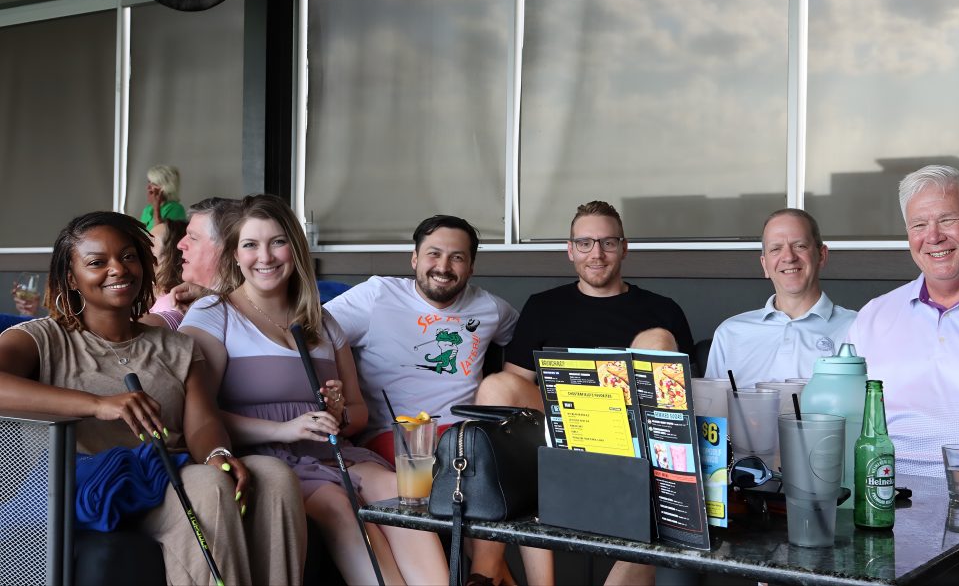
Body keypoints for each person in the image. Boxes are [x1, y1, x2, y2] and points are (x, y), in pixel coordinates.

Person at [0, 211, 306, 586]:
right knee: (206, 486)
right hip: (95, 486)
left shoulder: (178, 347)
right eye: (97, 262)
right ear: (71, 277)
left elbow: (203, 422)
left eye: (128, 256)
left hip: (165, 473)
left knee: (275, 477)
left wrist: (217, 453)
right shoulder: (41, 338)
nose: (118, 269)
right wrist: (98, 404)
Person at [180, 194, 448, 586]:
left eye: (277, 242)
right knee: (340, 507)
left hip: (333, 452)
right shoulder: (213, 314)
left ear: (295, 249)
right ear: (235, 255)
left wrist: (339, 414)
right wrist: (285, 429)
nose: (265, 257)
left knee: (400, 492)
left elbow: (358, 414)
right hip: (267, 459)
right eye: (250, 244)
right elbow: (197, 415)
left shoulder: (322, 322)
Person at [474, 200, 695, 586]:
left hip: (634, 441)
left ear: (624, 248)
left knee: (658, 339)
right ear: (570, 250)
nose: (597, 253)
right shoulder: (544, 306)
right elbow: (513, 391)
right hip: (562, 428)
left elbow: (686, 398)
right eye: (585, 243)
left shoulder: (662, 309)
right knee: (495, 386)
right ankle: (485, 570)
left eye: (608, 243)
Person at [847, 165, 959, 478]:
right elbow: (841, 412)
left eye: (947, 220)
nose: (933, 237)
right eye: (919, 225)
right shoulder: (873, 315)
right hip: (881, 492)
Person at [324, 214, 519, 463]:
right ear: (415, 258)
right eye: (434, 254)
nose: (443, 267)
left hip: (464, 434)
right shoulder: (376, 296)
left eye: (457, 258)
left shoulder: (491, 309)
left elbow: (528, 343)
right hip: (393, 432)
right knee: (438, 467)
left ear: (471, 267)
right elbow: (308, 334)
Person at [705, 208, 857, 386]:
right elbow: (711, 402)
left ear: (822, 256)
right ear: (765, 265)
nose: (789, 257)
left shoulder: (857, 328)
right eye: (776, 249)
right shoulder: (729, 333)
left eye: (800, 246)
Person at [142, 197, 240, 331]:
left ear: (225, 247)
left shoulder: (179, 303)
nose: (180, 245)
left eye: (193, 237)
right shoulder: (198, 296)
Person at [140, 164, 186, 232]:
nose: (148, 187)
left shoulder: (176, 209)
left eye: (154, 184)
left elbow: (161, 234)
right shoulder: (147, 209)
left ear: (166, 188)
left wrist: (156, 208)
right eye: (149, 182)